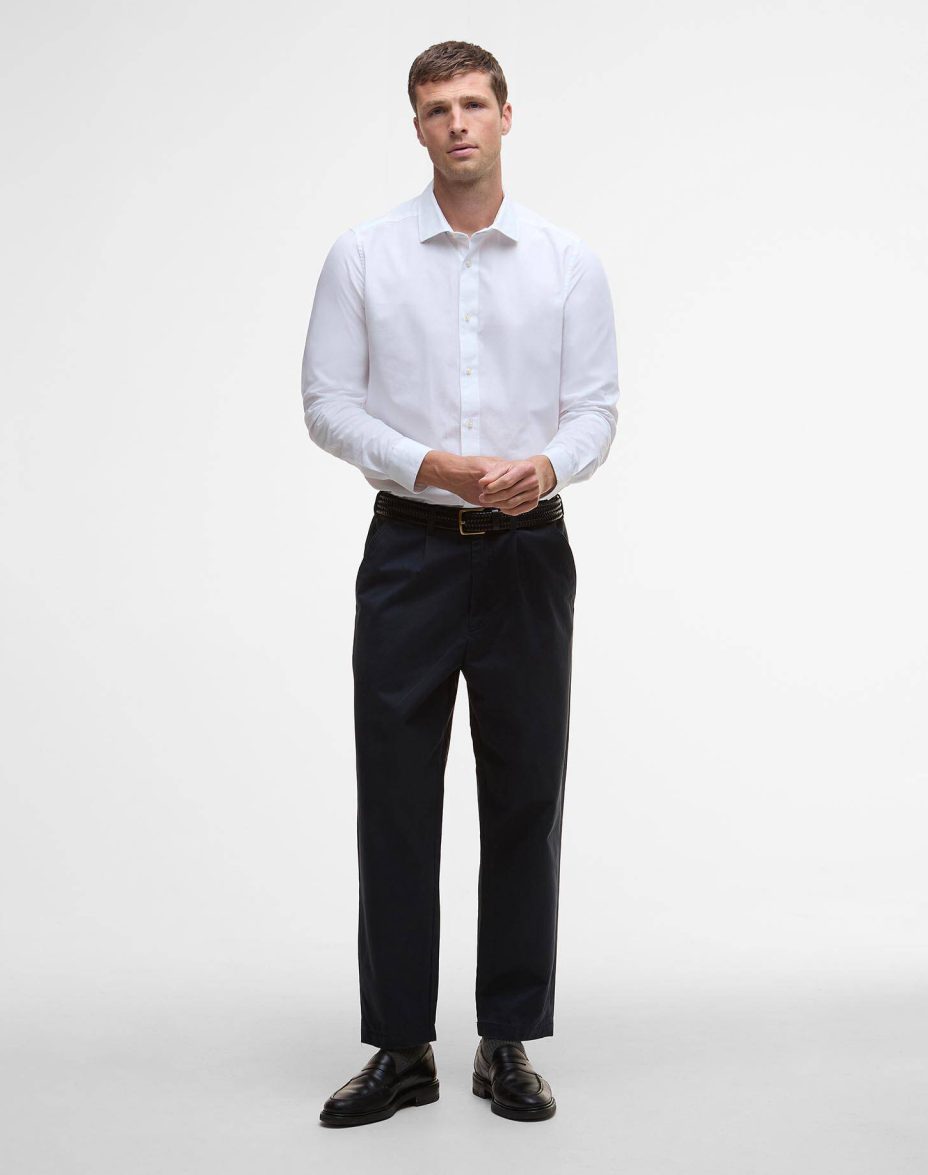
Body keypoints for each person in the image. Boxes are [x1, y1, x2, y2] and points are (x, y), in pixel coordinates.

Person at [301, 39, 620, 1128]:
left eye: (474, 104)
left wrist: (550, 465)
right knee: (395, 800)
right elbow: (327, 403)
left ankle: (506, 1038)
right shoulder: (364, 256)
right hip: (410, 550)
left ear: (507, 115)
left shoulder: (567, 261)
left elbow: (596, 410)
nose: (458, 124)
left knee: (525, 797)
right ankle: (401, 1047)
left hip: (529, 552)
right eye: (437, 109)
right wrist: (425, 463)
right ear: (417, 126)